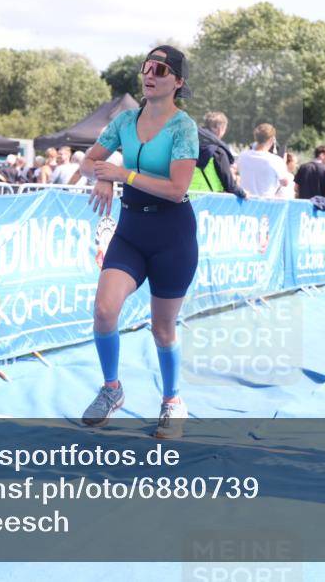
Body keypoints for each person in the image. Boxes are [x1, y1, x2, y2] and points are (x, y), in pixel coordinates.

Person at [79, 45, 199, 439]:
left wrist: (122, 175)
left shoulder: (184, 128)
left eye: (160, 69)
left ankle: (172, 401)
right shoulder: (125, 120)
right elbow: (88, 161)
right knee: (103, 310)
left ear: (178, 81)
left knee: (162, 328)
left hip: (172, 235)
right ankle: (111, 389)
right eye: (146, 67)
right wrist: (102, 175)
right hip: (131, 231)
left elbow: (177, 188)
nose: (149, 74)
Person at [235, 123, 289, 198]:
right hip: (265, 202)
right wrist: (284, 164)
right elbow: (285, 183)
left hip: (244, 200)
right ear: (272, 139)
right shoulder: (276, 161)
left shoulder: (242, 156)